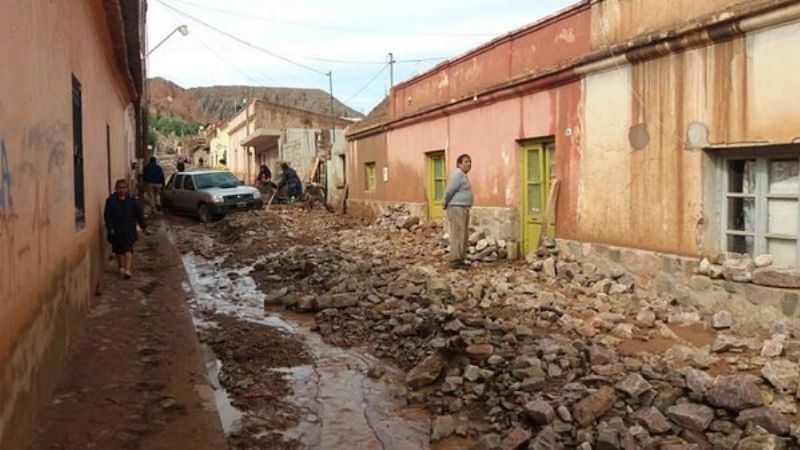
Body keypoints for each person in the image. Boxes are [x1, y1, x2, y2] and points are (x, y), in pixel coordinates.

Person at [104, 179, 147, 279]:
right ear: (116, 189)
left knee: (128, 249)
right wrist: (110, 227)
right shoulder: (111, 201)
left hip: (129, 229)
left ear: (127, 189)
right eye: (120, 187)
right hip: (116, 229)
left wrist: (144, 226)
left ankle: (127, 270)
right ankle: (121, 267)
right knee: (119, 250)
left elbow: (139, 215)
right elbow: (107, 215)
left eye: (124, 187)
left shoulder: (132, 201)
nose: (122, 190)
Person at [443, 154, 473, 269]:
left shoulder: (463, 175)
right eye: (466, 162)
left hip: (463, 208)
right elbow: (449, 190)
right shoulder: (457, 174)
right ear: (459, 164)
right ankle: (455, 261)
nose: (469, 164)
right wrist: (445, 202)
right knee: (458, 234)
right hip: (457, 208)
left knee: (463, 234)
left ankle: (460, 259)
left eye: (469, 162)